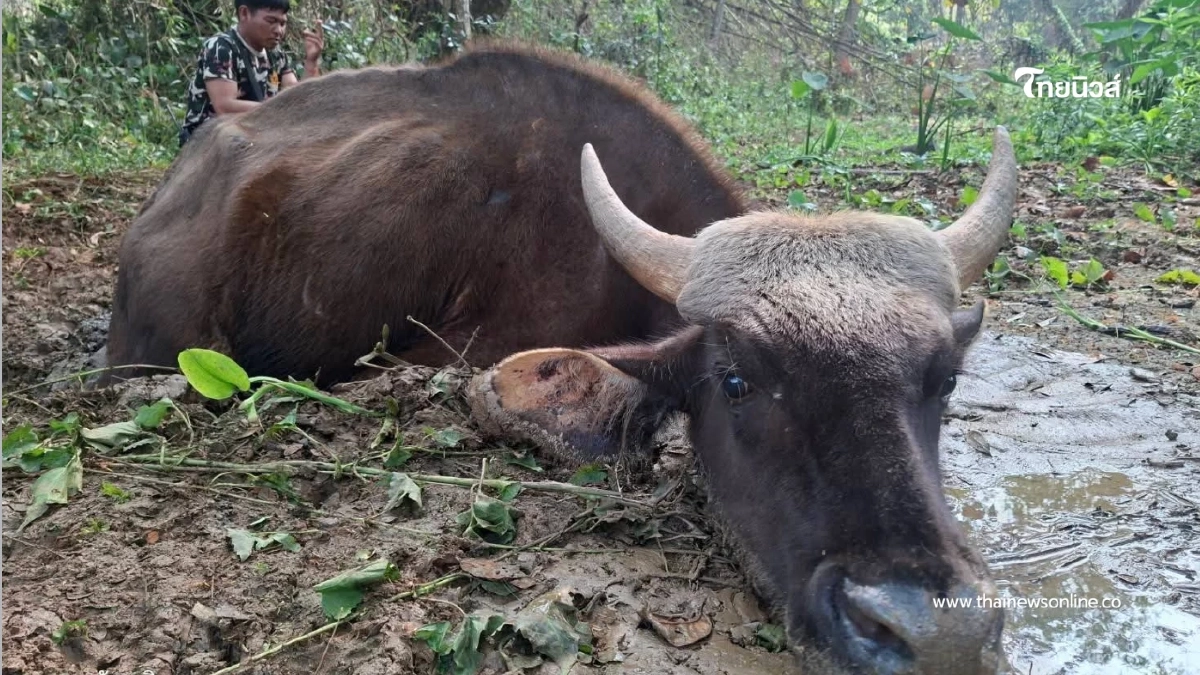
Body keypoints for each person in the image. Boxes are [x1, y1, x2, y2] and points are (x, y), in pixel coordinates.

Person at [179, 0, 324, 145]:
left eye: (282, 24)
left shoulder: (276, 54)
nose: (278, 30)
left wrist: (311, 62)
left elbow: (296, 98)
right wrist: (281, 110)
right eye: (271, 21)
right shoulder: (221, 48)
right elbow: (224, 106)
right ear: (244, 13)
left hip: (255, 133)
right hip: (208, 142)